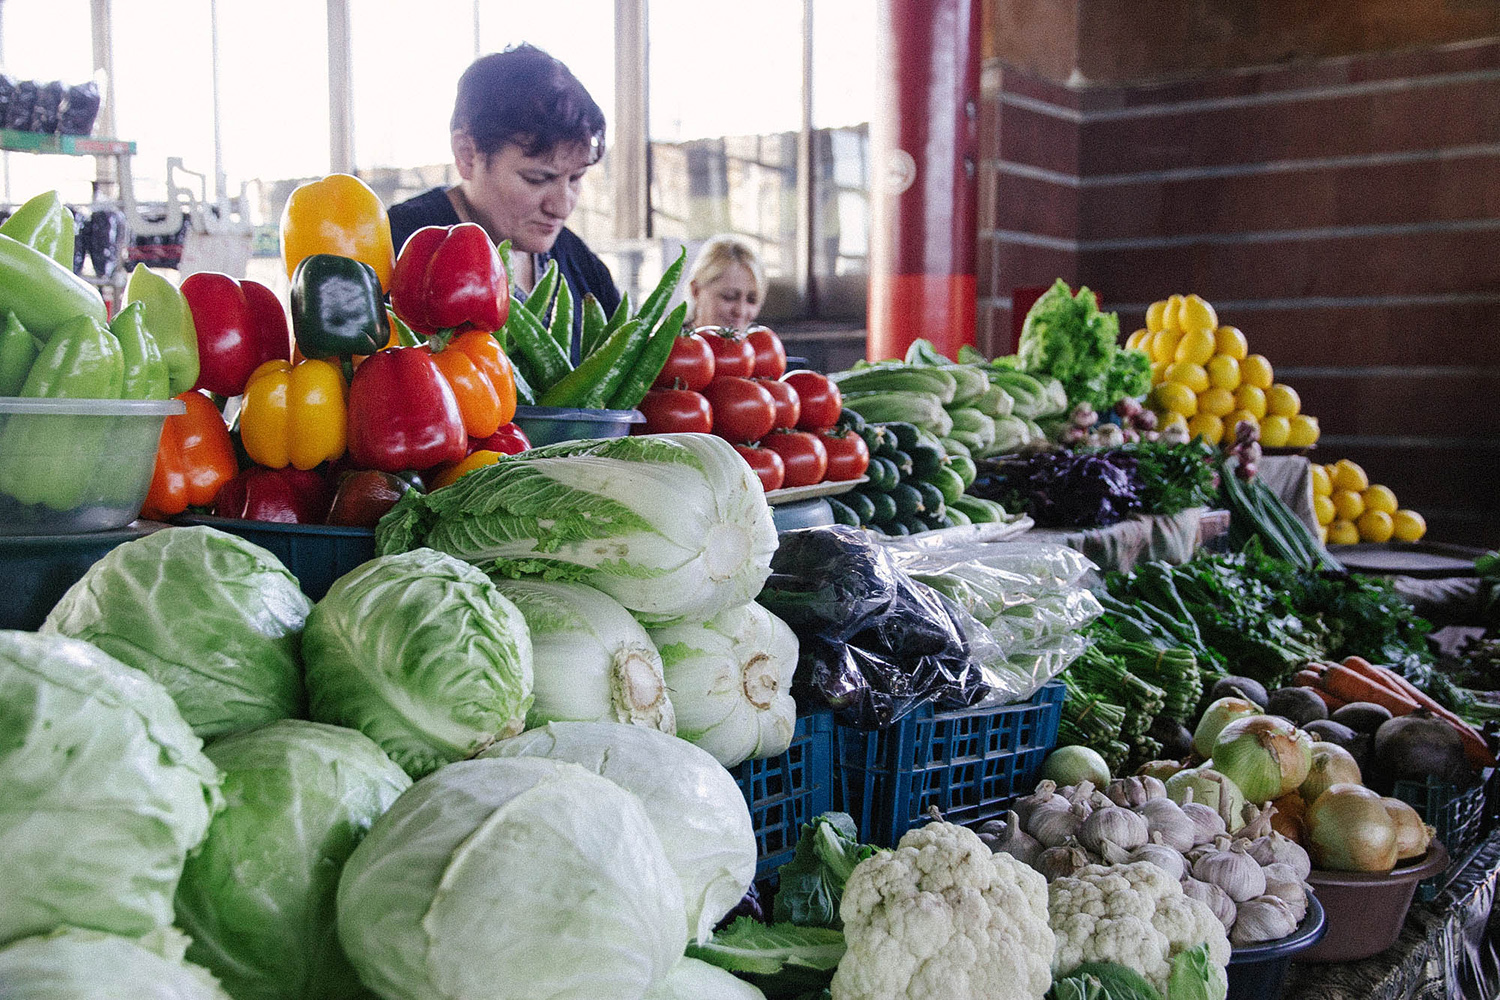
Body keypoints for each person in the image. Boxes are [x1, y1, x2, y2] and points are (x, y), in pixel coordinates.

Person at [386, 44, 620, 358]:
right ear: (467, 154)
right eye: (537, 178)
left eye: (575, 178)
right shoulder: (391, 250)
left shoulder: (581, 265)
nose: (562, 207)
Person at [685, 233, 766, 332]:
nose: (741, 311)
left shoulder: (765, 341)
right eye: (729, 297)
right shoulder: (670, 341)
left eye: (751, 300)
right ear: (696, 290)